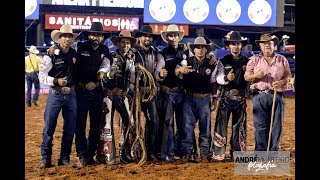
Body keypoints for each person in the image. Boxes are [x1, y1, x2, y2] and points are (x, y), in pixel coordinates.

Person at [38, 24, 79, 168]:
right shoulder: (50, 54)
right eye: (65, 36)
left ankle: (64, 158)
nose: (67, 39)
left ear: (72, 39)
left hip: (71, 94)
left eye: (69, 36)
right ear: (60, 38)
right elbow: (41, 76)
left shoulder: (75, 53)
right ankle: (46, 158)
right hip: (55, 94)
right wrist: (56, 81)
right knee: (49, 127)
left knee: (70, 128)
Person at [244, 34, 292, 151]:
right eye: (264, 43)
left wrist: (281, 82)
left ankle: (273, 152)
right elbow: (246, 76)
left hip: (277, 96)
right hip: (259, 96)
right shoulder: (254, 60)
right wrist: (256, 75)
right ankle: (260, 153)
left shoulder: (282, 59)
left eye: (269, 43)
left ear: (273, 45)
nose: (267, 45)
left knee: (276, 126)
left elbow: (288, 75)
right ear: (260, 45)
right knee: (260, 126)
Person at [73, 22, 110, 166]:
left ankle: (90, 154)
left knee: (95, 125)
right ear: (89, 35)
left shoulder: (105, 49)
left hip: (96, 91)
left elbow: (106, 65)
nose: (96, 37)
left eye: (99, 35)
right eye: (94, 34)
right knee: (80, 124)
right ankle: (81, 154)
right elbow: (66, 50)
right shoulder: (80, 46)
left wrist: (102, 72)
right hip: (81, 90)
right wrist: (53, 47)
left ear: (102, 37)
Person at [211, 31, 249, 162]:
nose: (235, 46)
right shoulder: (223, 61)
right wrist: (226, 78)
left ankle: (238, 154)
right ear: (229, 46)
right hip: (226, 98)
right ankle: (218, 154)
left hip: (241, 98)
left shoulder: (247, 62)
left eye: (237, 44)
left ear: (241, 46)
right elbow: (218, 78)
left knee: (239, 127)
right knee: (221, 126)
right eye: (233, 44)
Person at [178, 37, 217, 163]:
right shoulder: (186, 62)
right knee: (187, 127)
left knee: (205, 128)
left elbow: (213, 82)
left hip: (205, 98)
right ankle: (186, 152)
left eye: (203, 47)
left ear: (206, 49)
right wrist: (180, 71)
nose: (200, 50)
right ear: (193, 49)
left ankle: (205, 153)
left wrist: (214, 97)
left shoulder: (212, 64)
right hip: (189, 97)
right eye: (198, 47)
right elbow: (179, 76)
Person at [156, 24, 189, 162]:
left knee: (182, 123)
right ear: (167, 38)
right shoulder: (162, 54)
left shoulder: (185, 52)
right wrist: (161, 75)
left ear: (178, 37)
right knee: (168, 124)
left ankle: (180, 152)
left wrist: (210, 56)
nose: (174, 38)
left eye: (175, 35)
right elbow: (159, 72)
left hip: (181, 92)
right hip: (168, 92)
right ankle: (168, 153)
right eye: (171, 35)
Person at [106, 30, 137, 163]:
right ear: (118, 43)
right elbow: (104, 72)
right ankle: (107, 153)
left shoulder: (131, 58)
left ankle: (124, 152)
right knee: (107, 124)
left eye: (127, 43)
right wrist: (109, 74)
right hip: (109, 95)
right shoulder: (110, 56)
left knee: (129, 122)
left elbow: (132, 78)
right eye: (123, 43)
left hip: (123, 95)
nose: (125, 45)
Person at [133, 25, 160, 161]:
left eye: (149, 36)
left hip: (150, 93)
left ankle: (150, 151)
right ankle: (133, 151)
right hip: (135, 93)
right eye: (145, 36)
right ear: (139, 37)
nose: (147, 38)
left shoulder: (155, 53)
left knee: (153, 122)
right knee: (133, 123)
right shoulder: (133, 52)